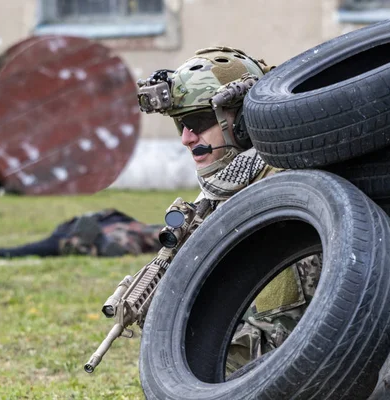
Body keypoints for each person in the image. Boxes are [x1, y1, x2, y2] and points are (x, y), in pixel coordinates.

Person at [136, 46, 322, 376]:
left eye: (197, 121)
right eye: (180, 123)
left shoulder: (291, 190)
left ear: (241, 121)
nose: (186, 138)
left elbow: (293, 330)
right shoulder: (219, 194)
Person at [0, 209, 164, 260]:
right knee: (154, 235)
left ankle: (101, 244)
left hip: (119, 230)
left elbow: (20, 250)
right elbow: (20, 251)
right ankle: (100, 244)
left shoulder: (61, 235)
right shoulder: (59, 239)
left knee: (153, 234)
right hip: (120, 232)